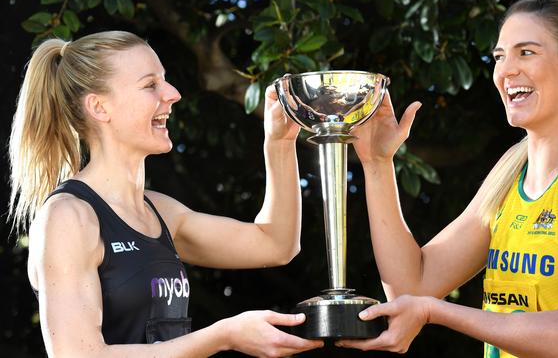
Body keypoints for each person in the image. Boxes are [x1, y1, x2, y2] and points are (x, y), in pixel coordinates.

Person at [336, 0, 558, 357]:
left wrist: (436, 311)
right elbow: (411, 284)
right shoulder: (512, 170)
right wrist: (377, 164)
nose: (506, 70)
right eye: (500, 56)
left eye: (526, 52)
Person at [8, 31, 323, 357]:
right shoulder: (69, 217)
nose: (172, 94)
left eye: (165, 81)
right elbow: (78, 354)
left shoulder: (159, 212)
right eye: (150, 85)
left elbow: (276, 244)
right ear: (99, 107)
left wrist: (280, 142)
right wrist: (223, 335)